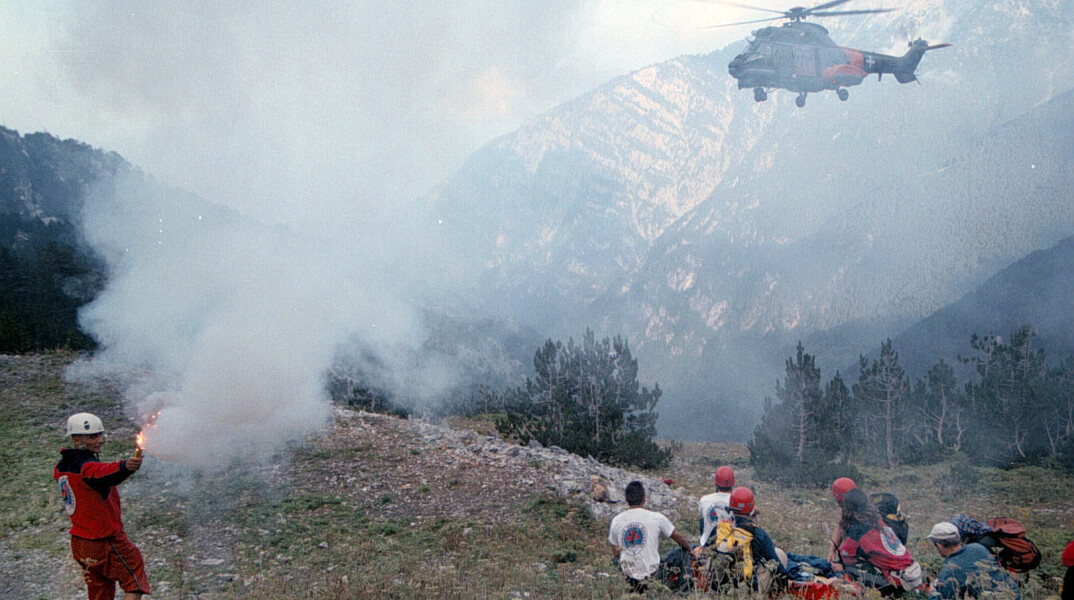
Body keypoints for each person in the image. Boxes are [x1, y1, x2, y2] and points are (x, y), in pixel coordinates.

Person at [54, 412, 150, 600]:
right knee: (134, 581)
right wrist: (125, 467)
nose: (99, 440)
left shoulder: (61, 467)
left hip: (80, 544)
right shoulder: (86, 467)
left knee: (100, 594)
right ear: (76, 439)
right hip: (103, 540)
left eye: (100, 435)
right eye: (92, 436)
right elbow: (102, 472)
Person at [608, 480, 696, 593]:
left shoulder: (616, 520)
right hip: (653, 576)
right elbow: (679, 539)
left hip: (629, 579)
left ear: (626, 499)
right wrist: (689, 550)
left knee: (614, 560)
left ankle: (627, 589)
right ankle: (683, 590)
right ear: (644, 499)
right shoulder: (656, 518)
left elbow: (615, 553)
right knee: (682, 552)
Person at [837, 488, 921, 594]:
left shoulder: (858, 529)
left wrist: (839, 567)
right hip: (911, 574)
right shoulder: (878, 521)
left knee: (848, 568)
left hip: (898, 581)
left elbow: (846, 557)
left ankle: (868, 594)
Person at [709, 486, 788, 596]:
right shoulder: (759, 534)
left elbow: (708, 555)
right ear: (751, 510)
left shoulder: (719, 530)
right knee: (780, 554)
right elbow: (779, 571)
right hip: (748, 592)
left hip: (721, 590)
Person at [926, 522, 1020, 600]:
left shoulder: (948, 572)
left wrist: (933, 593)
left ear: (939, 546)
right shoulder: (977, 547)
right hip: (1012, 594)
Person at [699, 466, 735, 546]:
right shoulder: (737, 501)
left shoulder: (704, 500)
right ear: (733, 483)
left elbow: (702, 521)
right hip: (731, 545)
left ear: (716, 482)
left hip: (707, 545)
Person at [827, 477, 856, 566]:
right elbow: (840, 527)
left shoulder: (858, 516)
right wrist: (832, 551)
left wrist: (843, 567)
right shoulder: (848, 510)